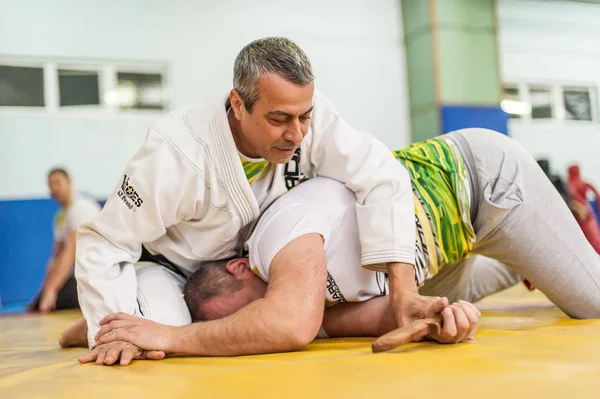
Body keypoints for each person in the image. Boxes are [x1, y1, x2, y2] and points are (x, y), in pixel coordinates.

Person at [86, 128, 600, 362]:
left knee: (592, 302)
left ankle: (557, 225)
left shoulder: (281, 234)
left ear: (243, 266)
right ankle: (521, 263)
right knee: (448, 297)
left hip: (483, 185)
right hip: (442, 254)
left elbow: (286, 322)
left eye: (253, 311)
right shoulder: (301, 309)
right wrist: (438, 325)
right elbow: (391, 317)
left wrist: (172, 339)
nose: (260, 320)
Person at [75, 37, 438, 363]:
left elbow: (381, 173)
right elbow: (105, 239)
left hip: (244, 265)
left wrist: (402, 291)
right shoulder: (175, 154)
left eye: (304, 117)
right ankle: (109, 311)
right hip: (172, 266)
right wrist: (106, 331)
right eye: (278, 119)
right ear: (237, 103)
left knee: (267, 324)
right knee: (154, 339)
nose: (296, 134)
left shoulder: (306, 112)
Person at [28, 168, 101, 313]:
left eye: (57, 183)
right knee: (38, 305)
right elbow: (56, 258)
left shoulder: (82, 208)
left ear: (69, 182)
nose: (54, 188)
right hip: (80, 274)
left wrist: (51, 290)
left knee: (56, 302)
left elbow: (69, 253)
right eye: (50, 185)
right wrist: (43, 291)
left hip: (97, 274)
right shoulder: (60, 217)